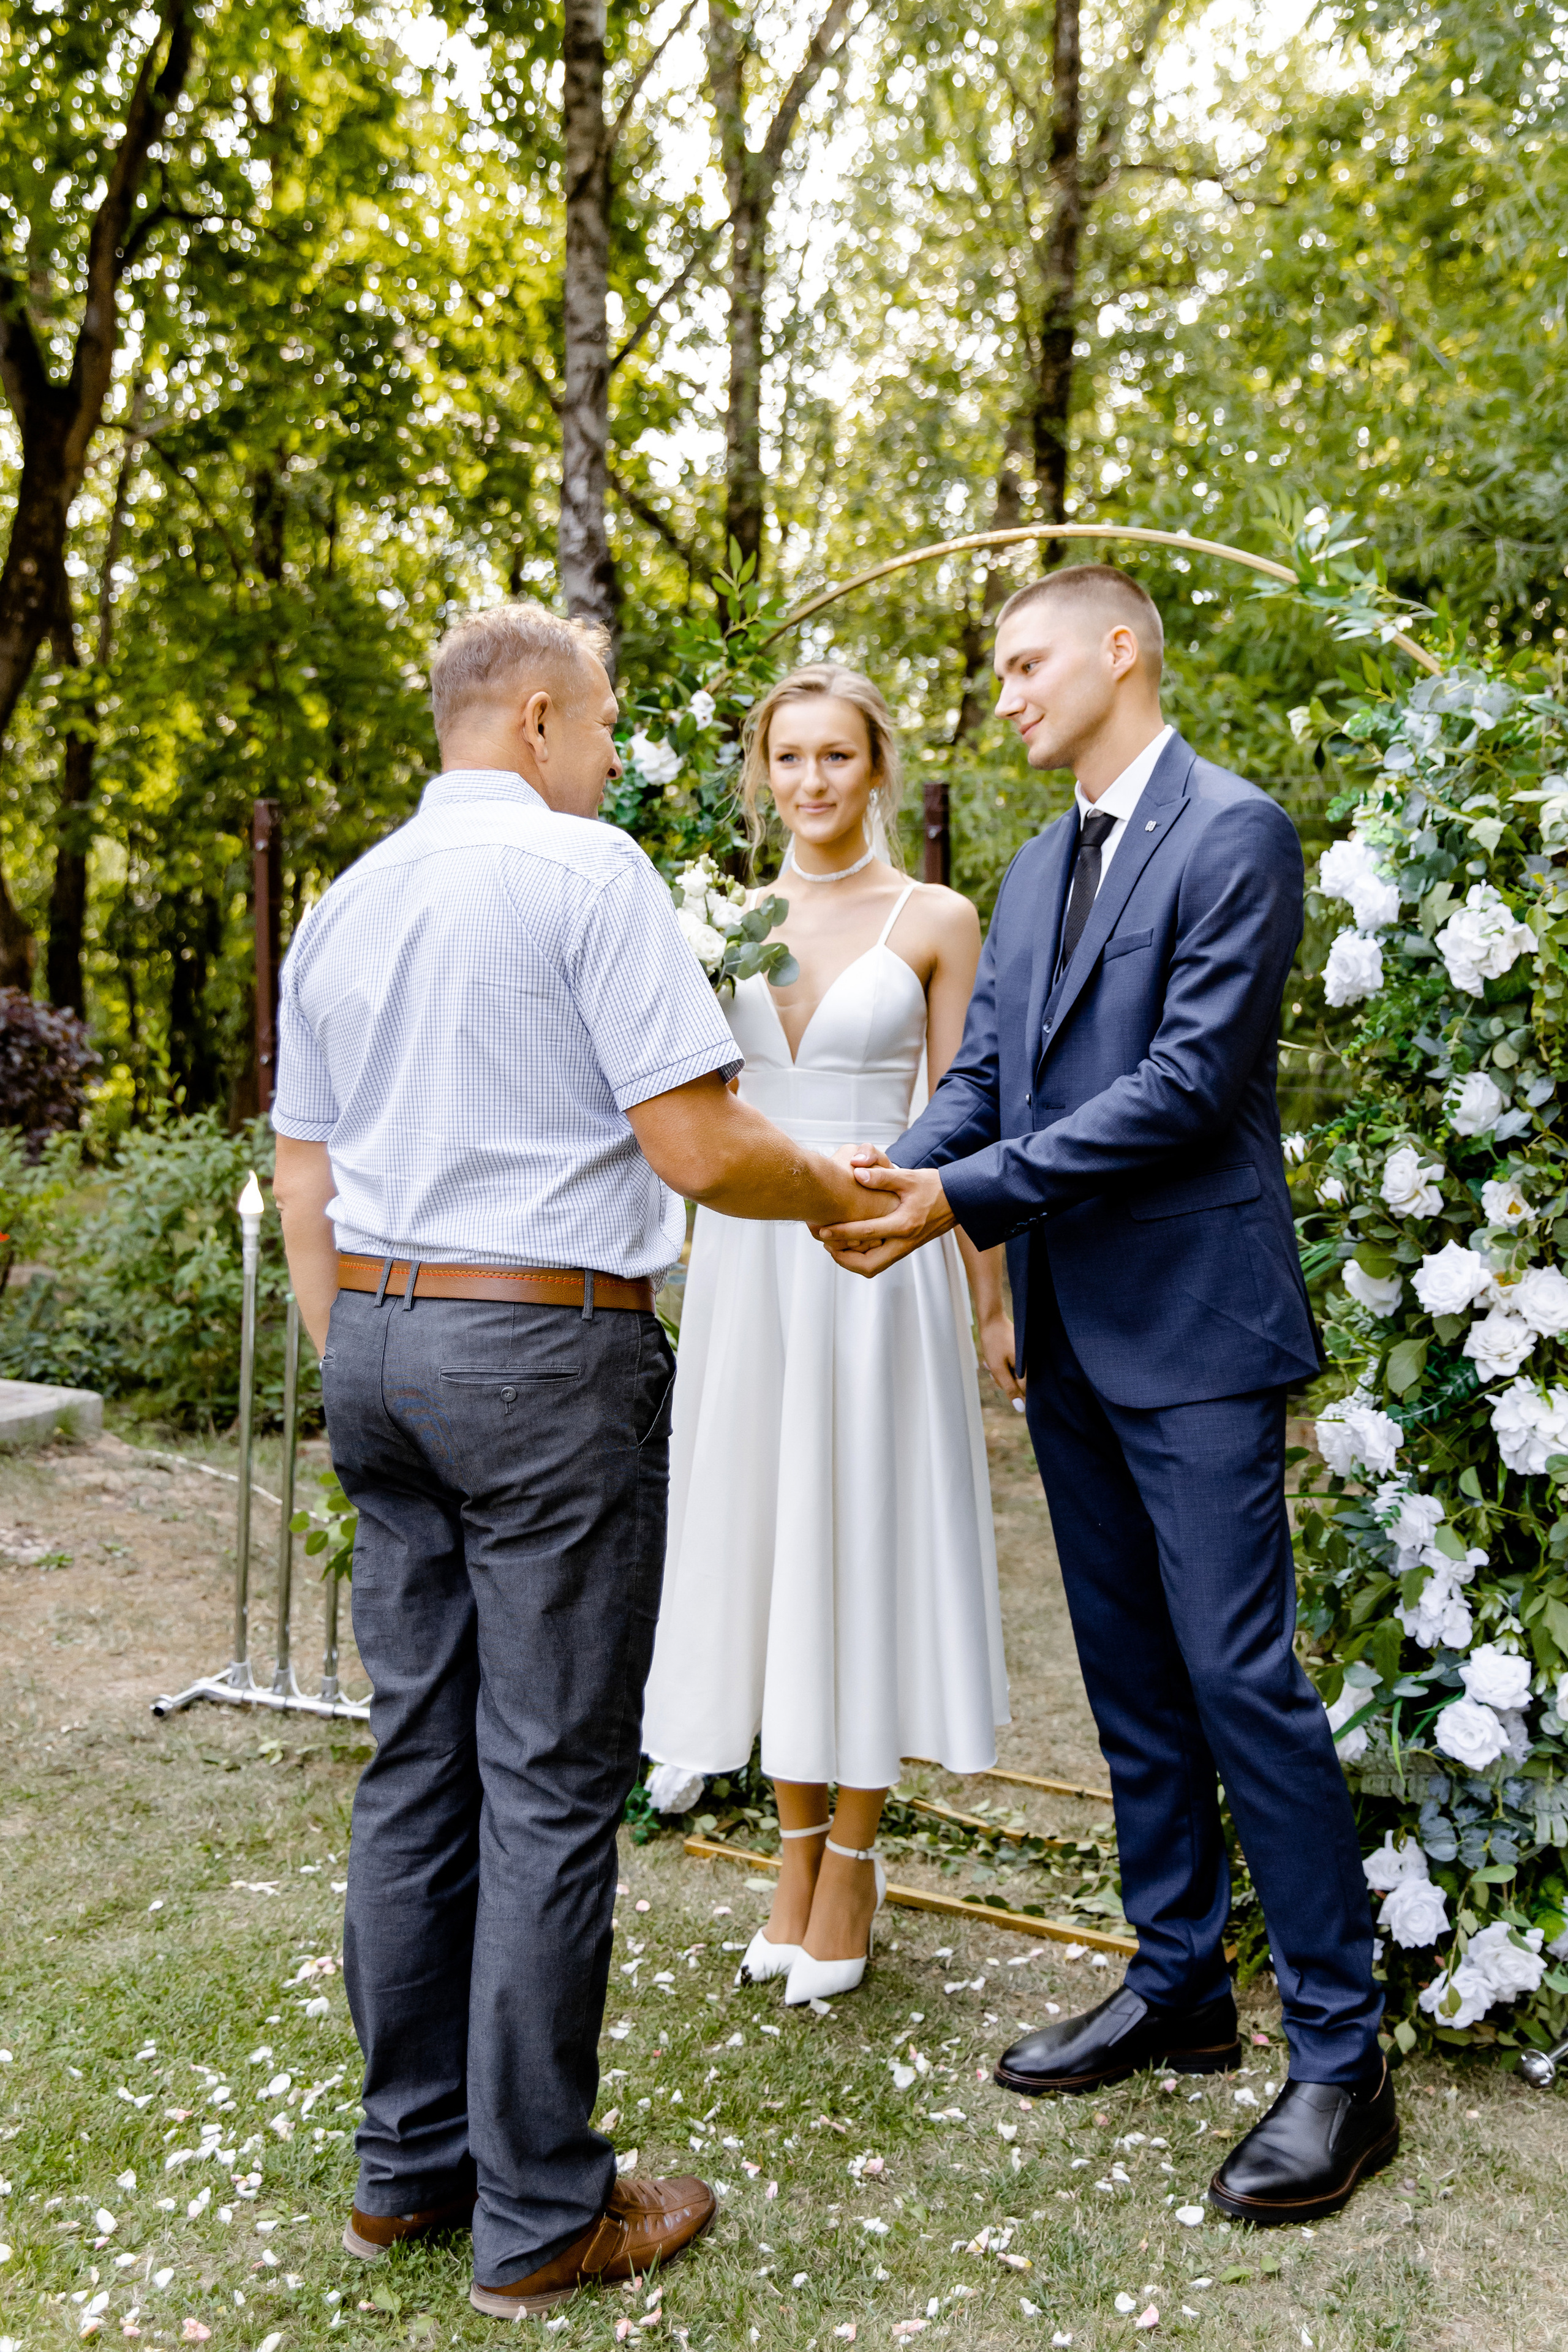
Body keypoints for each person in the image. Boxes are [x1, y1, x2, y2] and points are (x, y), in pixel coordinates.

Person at [269, 602, 897, 2318]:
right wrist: (848, 1191)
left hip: (385, 1344)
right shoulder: (583, 868)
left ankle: (406, 2175)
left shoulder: (343, 900)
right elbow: (690, 1142)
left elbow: (303, 1178)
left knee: (418, 1761)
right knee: (549, 1780)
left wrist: (369, 1356)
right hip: (544, 1347)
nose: (617, 756)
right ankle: (542, 2209)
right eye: (606, 726)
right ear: (535, 718)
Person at [818, 565, 1396, 2225]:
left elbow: (1186, 1088)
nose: (1002, 694)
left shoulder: (1237, 834)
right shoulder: (1036, 858)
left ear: (1118, 650)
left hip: (1200, 1331)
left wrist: (964, 1197)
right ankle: (1179, 1987)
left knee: (1238, 1679)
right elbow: (987, 1071)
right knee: (1132, 1674)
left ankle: (1344, 2063)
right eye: (996, 671)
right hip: (1067, 1326)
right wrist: (887, 1171)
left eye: (1023, 662)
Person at [641, 665, 1012, 2007]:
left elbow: (972, 1111)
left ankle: (852, 1861)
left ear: (877, 768)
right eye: (787, 758)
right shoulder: (712, 918)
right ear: (760, 771)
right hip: (746, 1268)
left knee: (855, 1548)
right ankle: (789, 1859)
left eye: (835, 757)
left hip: (876, 1262)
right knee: (766, 1549)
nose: (810, 782)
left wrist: (988, 1293)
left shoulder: (936, 918)